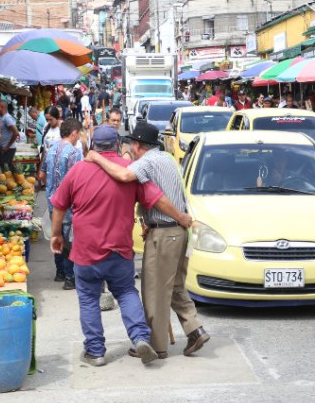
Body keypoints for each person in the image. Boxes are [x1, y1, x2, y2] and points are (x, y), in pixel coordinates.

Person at [50, 124, 192, 367]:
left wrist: (56, 235)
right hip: (119, 249)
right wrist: (180, 217)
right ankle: (139, 338)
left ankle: (95, 352)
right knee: (126, 292)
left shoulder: (78, 171)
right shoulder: (131, 171)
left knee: (88, 299)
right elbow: (157, 199)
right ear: (117, 145)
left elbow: (59, 206)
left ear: (94, 145)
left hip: (86, 252)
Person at [86, 121, 210, 359]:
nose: (131, 148)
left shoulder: (147, 161)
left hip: (164, 232)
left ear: (138, 145)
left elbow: (123, 174)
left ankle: (157, 345)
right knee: (174, 287)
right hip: (178, 233)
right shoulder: (167, 159)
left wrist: (96, 158)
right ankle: (195, 330)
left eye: (132, 143)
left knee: (154, 291)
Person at [43, 118, 84, 289]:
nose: (79, 137)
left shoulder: (51, 150)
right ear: (73, 133)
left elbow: (42, 174)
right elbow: (78, 179)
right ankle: (69, 277)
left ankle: (59, 272)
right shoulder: (74, 153)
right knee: (67, 238)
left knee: (55, 233)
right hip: (67, 203)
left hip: (52, 201)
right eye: (78, 134)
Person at [0, 103, 20, 171]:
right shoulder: (3, 118)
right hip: (5, 149)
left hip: (8, 149)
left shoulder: (7, 118)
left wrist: (7, 146)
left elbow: (16, 133)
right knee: (4, 171)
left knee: (5, 171)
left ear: (1, 106)